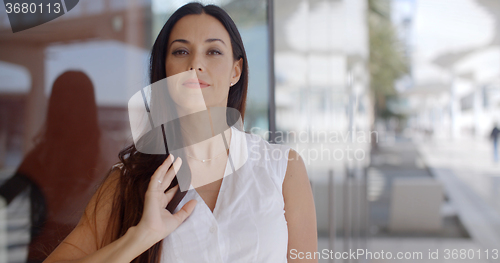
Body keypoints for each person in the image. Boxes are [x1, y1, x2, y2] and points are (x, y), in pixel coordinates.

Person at [44, 2, 317, 263]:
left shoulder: (283, 169)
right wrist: (139, 238)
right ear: (164, 72)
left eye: (213, 52)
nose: (195, 64)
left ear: (236, 71)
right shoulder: (130, 181)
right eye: (181, 52)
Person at [0, 71, 119, 263]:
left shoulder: (109, 152)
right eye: (64, 97)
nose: (70, 106)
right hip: (40, 248)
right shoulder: (43, 152)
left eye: (77, 97)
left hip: (87, 247)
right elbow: (8, 193)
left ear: (88, 103)